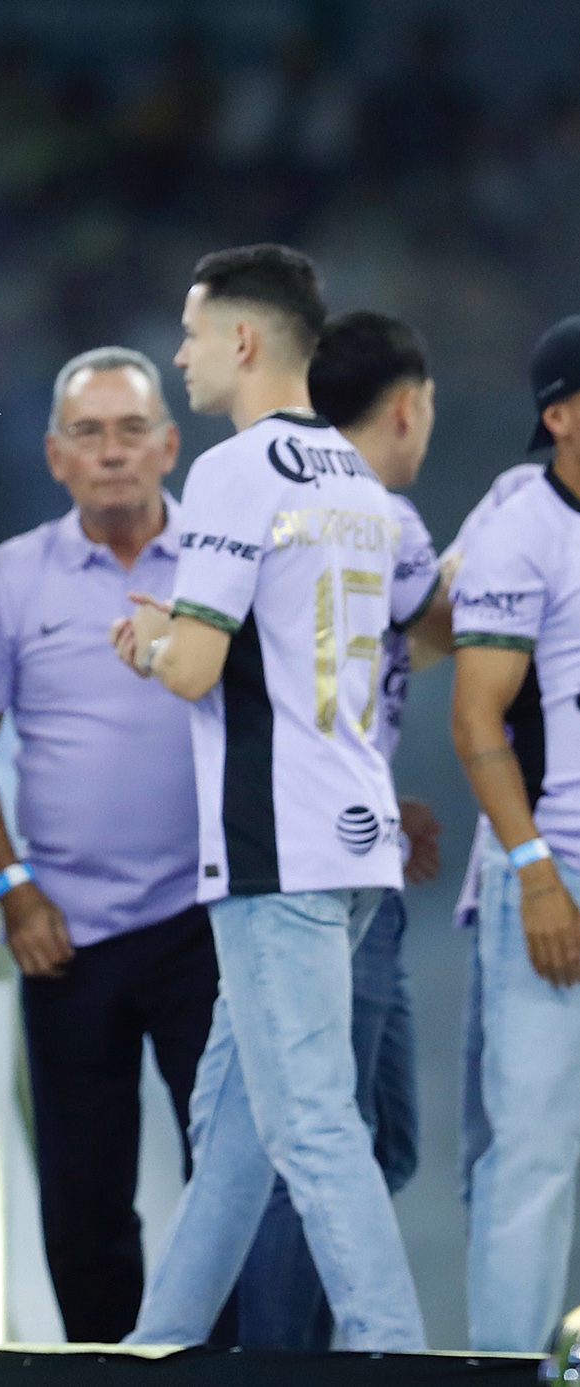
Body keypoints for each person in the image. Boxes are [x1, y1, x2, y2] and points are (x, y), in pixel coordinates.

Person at [112, 244, 425, 1351]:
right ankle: (161, 1345)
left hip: (272, 845)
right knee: (237, 1127)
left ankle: (389, 1350)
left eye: (192, 333)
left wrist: (149, 636)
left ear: (242, 341)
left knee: (308, 1124)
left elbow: (194, 669)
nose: (181, 353)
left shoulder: (239, 471)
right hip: (350, 839)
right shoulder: (354, 478)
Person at [0, 346, 213, 1343]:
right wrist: (12, 889)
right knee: (84, 1201)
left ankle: (221, 1374)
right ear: (55, 456)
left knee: (227, 1179)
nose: (111, 453)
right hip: (63, 932)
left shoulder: (223, 566)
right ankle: (103, 1373)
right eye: (88, 434)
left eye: (131, 429)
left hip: (206, 924)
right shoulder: (12, 580)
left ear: (168, 445)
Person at [235, 309, 449, 1347]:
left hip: (330, 837)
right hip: (319, 855)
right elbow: (451, 623)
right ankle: (294, 1358)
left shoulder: (287, 493)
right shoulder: (379, 515)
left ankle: (269, 1346)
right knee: (322, 1139)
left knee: (351, 1136)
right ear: (405, 405)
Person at [449, 313, 580, 1351]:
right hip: (556, 871)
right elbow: (474, 715)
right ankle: (502, 1369)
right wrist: (533, 872)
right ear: (559, 414)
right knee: (532, 1150)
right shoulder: (520, 524)